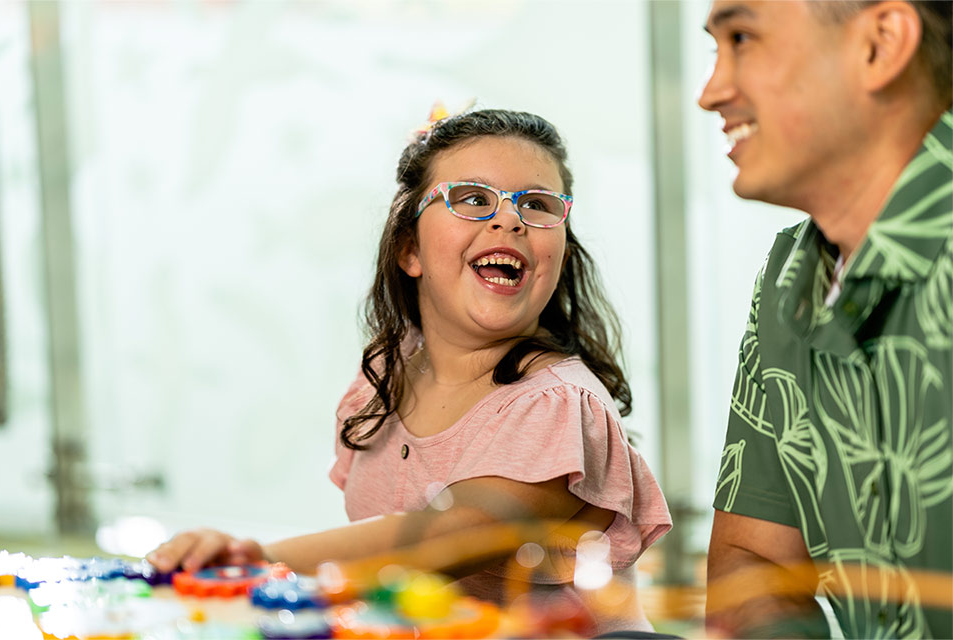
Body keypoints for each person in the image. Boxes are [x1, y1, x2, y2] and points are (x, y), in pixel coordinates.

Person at [147, 108, 672, 634]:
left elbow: (451, 534)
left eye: (537, 205)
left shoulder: (556, 402)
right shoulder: (384, 377)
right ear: (409, 249)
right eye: (472, 198)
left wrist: (260, 558)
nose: (509, 219)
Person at [699, 0, 952, 637]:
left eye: (744, 38)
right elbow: (753, 563)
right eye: (714, 50)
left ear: (880, 44)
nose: (711, 93)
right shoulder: (791, 273)